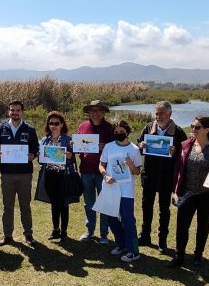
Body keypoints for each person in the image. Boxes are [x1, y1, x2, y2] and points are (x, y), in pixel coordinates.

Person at [168, 116, 209, 268]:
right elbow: (178, 169)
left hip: (207, 195)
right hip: (187, 193)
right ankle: (179, 256)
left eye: (197, 127)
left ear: (207, 130)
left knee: (203, 224)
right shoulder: (186, 145)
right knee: (182, 225)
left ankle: (198, 255)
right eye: (192, 126)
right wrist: (175, 190)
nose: (193, 129)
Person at [137, 101, 188, 253]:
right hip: (149, 176)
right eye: (156, 113)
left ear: (170, 114)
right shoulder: (147, 127)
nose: (158, 116)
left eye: (162, 113)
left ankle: (162, 241)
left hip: (166, 178)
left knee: (164, 210)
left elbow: (184, 155)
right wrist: (141, 146)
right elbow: (139, 144)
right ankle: (145, 236)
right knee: (146, 207)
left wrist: (175, 152)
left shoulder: (178, 132)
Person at [0, 100, 40, 247]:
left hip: (25, 173)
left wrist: (34, 155)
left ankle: (28, 235)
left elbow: (35, 148)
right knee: (7, 206)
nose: (15, 112)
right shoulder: (1, 128)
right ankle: (7, 236)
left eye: (18, 110)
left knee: (25, 205)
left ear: (22, 112)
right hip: (7, 173)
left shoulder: (29, 129)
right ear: (8, 111)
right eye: (12, 110)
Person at [99, 120, 143, 263]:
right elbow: (101, 164)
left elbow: (137, 172)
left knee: (128, 219)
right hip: (110, 187)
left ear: (127, 132)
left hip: (126, 190)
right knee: (111, 218)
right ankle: (122, 244)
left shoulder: (134, 149)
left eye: (121, 132)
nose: (118, 134)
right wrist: (106, 175)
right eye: (115, 132)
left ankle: (134, 251)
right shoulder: (108, 147)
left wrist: (130, 165)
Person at [34, 111, 79, 241]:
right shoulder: (44, 139)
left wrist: (69, 156)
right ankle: (55, 230)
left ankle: (64, 231)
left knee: (64, 204)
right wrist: (39, 155)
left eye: (56, 123)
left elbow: (71, 160)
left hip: (63, 176)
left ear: (62, 124)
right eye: (51, 123)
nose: (53, 126)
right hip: (49, 175)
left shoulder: (67, 139)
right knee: (54, 203)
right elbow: (41, 161)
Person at [76, 100, 114, 244]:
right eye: (92, 110)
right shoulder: (83, 126)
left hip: (103, 172)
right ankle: (89, 231)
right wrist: (75, 146)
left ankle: (104, 234)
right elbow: (79, 148)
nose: (95, 113)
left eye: (98, 110)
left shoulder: (110, 128)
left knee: (104, 203)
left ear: (103, 112)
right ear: (89, 112)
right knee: (89, 203)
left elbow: (115, 150)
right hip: (86, 170)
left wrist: (106, 147)